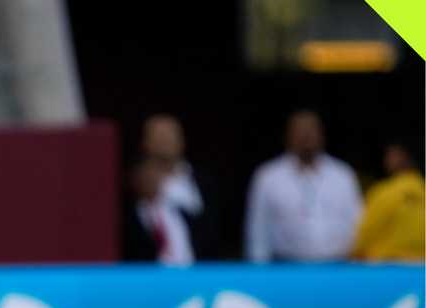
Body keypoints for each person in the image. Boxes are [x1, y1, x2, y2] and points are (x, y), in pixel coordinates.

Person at [245, 109, 362, 262]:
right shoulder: (268, 176)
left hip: (338, 266)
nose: (306, 136)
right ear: (288, 135)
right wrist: (259, 270)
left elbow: (359, 222)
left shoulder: (343, 174)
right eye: (300, 130)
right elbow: (258, 229)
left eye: (311, 130)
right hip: (286, 267)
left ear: (321, 134)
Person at [140, 113, 219, 258]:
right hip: (149, 275)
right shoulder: (134, 186)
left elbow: (213, 230)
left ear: (182, 140)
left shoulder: (203, 182)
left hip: (198, 273)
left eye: (170, 134)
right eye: (159, 135)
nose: (165, 140)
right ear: (146, 142)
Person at [352, 141, 425, 262]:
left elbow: (366, 232)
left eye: (391, 155)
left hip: (388, 267)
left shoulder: (385, 192)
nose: (386, 159)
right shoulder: (422, 189)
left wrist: (352, 257)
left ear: (403, 157)